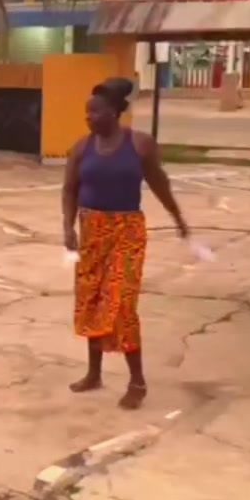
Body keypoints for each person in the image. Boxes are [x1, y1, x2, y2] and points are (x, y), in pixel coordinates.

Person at [61, 77, 188, 410]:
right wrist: (68, 227)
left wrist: (178, 218)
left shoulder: (141, 145)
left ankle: (137, 382)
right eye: (87, 113)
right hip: (91, 230)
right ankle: (94, 373)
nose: (89, 118)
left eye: (96, 112)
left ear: (115, 112)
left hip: (127, 231)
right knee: (91, 300)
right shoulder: (81, 147)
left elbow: (160, 184)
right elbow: (69, 190)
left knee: (121, 305)